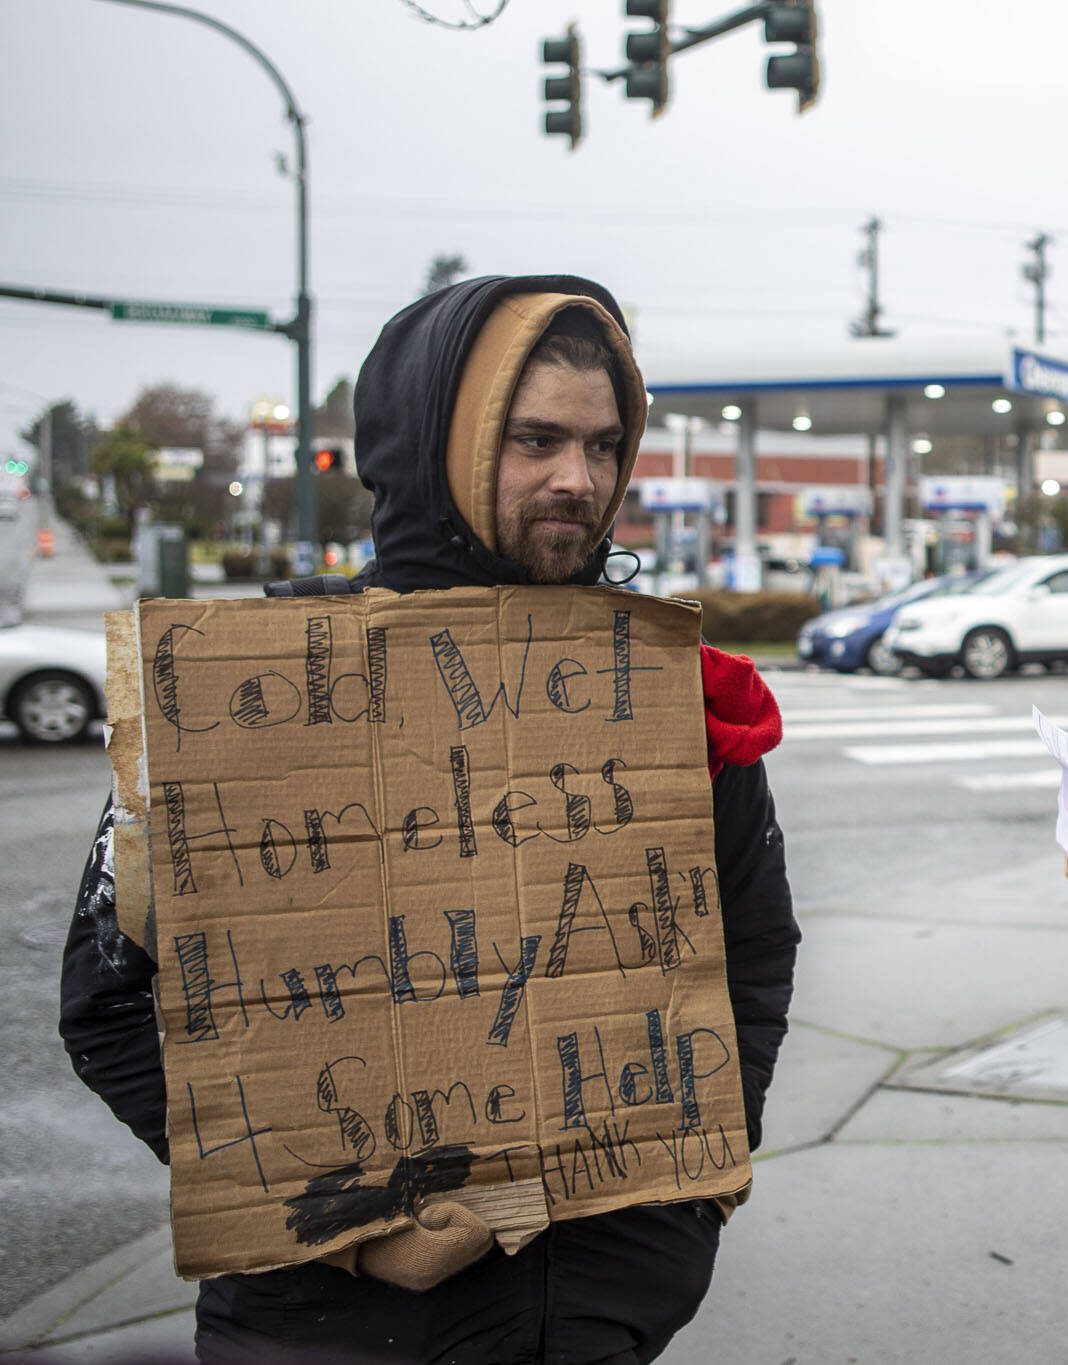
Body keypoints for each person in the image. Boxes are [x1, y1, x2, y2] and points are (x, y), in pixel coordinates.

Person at [60, 274, 802, 1364]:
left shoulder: (656, 688)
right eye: (536, 439)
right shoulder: (249, 688)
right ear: (435, 448)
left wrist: (681, 1197)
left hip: (601, 1321)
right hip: (324, 1334)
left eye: (603, 446)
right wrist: (352, 1226)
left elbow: (753, 954)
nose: (576, 479)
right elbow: (107, 1006)